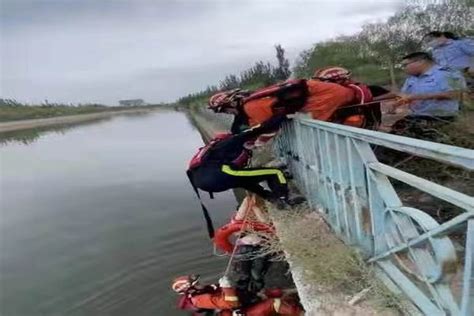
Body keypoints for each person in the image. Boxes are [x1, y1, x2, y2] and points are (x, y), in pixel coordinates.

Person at [187, 115, 304, 208]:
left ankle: (272, 198)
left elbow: (243, 180)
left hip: (204, 183)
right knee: (275, 172)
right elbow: (259, 129)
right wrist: (281, 116)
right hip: (218, 174)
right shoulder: (231, 141)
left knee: (243, 181)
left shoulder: (212, 150)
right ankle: (285, 198)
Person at [172, 274, 304, 315]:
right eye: (197, 283)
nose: (201, 283)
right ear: (190, 289)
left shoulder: (205, 291)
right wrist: (227, 287)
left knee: (272, 293)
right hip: (238, 312)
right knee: (274, 303)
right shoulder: (200, 299)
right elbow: (231, 303)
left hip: (240, 307)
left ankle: (296, 298)